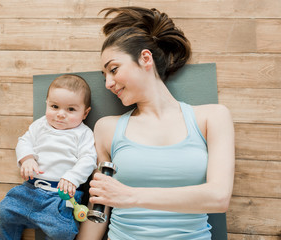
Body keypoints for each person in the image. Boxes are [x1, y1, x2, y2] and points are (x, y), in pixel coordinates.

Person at [77, 6, 235, 240]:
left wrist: (131, 196)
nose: (108, 83)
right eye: (105, 76)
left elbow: (218, 197)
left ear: (145, 58)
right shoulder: (106, 129)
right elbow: (99, 212)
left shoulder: (212, 118)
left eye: (114, 69)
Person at [0, 74, 97, 240]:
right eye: (55, 106)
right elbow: (24, 141)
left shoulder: (83, 134)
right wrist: (27, 158)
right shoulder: (40, 125)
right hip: (30, 190)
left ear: (85, 113)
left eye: (71, 109)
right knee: (4, 212)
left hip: (61, 197)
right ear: (47, 104)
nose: (60, 114)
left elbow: (88, 159)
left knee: (62, 231)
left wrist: (72, 177)